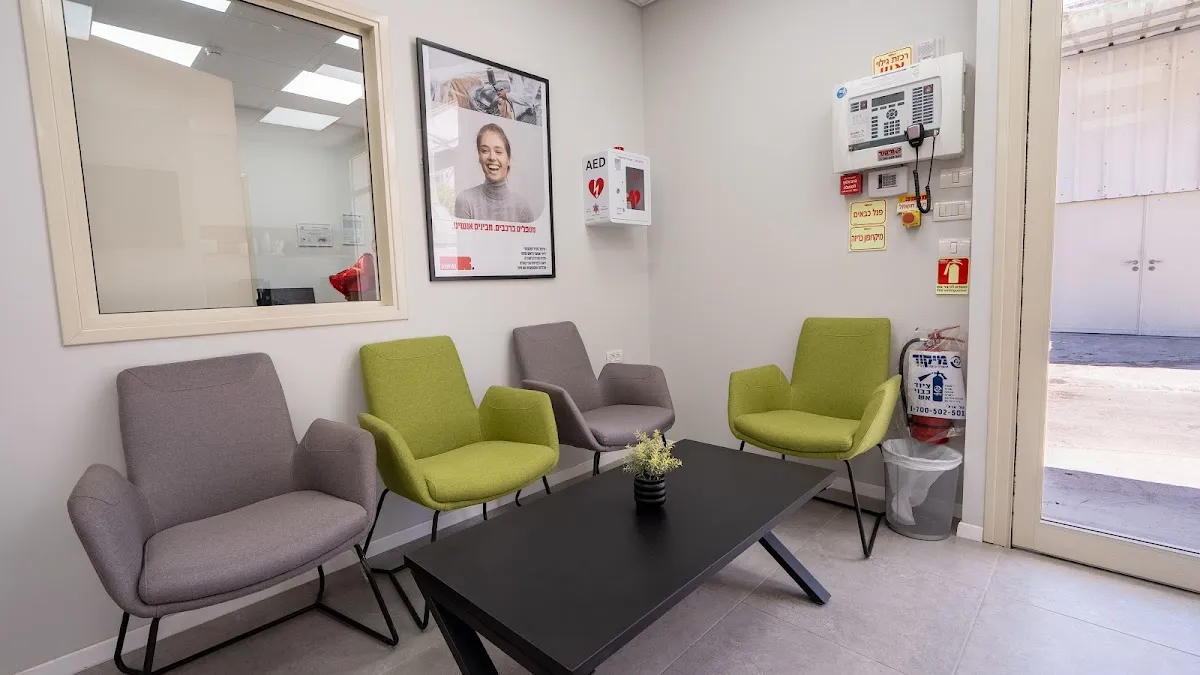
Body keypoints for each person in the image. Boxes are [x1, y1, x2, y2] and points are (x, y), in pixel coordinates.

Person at [454, 123, 536, 223]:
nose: (492, 157)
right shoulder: (466, 201)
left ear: (508, 160)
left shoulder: (522, 207)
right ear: (479, 157)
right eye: (485, 151)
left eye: (498, 152)